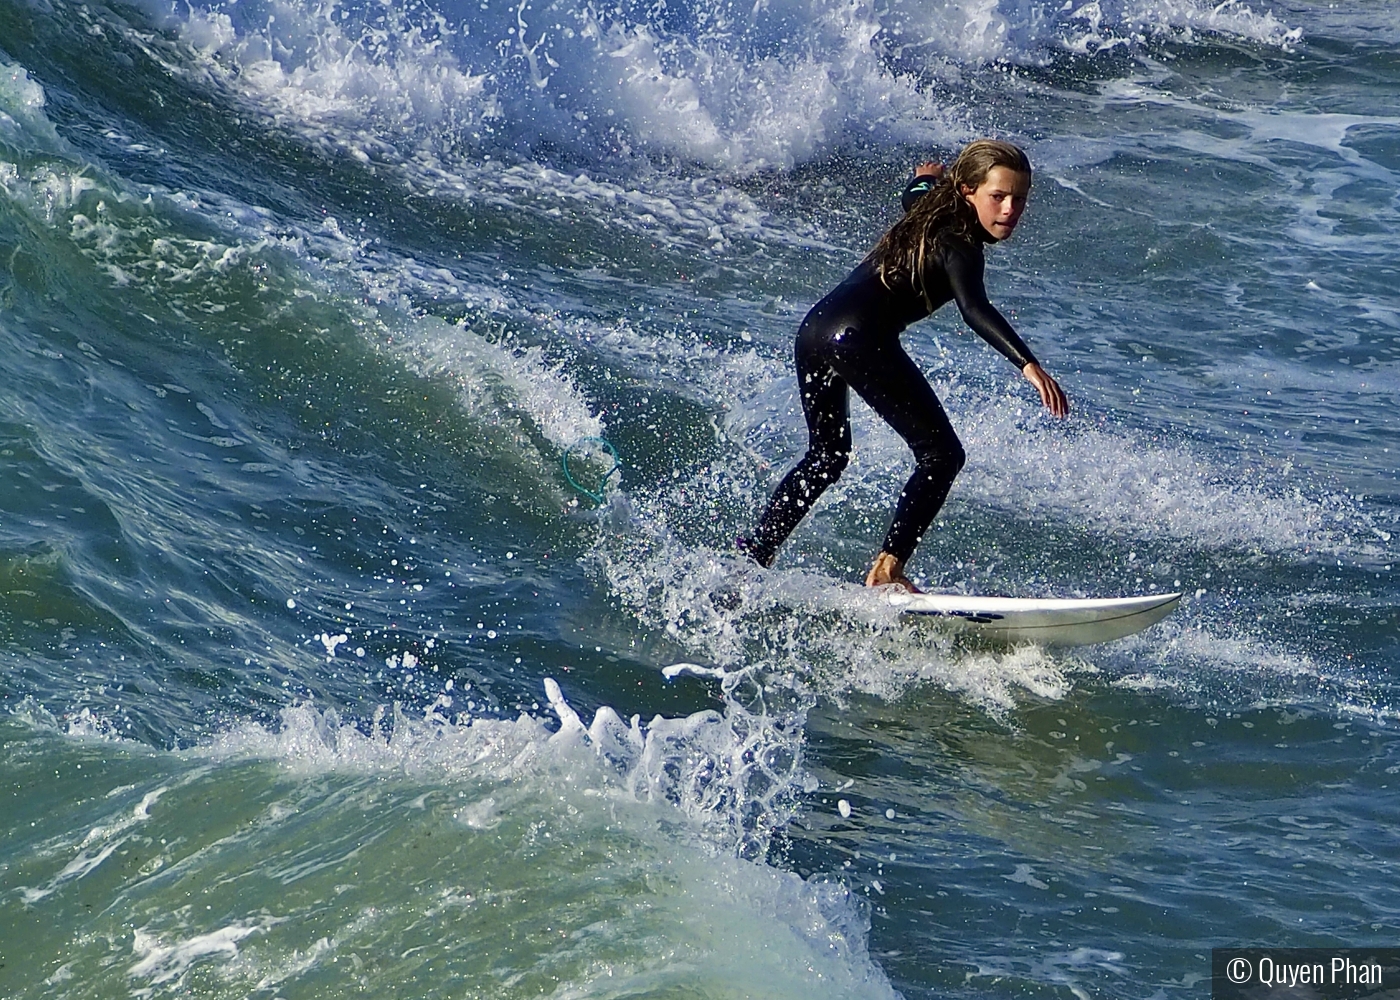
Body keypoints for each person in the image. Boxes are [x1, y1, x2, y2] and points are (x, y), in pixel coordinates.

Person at [739, 139, 1069, 593]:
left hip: (816, 329)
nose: (1010, 209)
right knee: (943, 455)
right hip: (857, 337)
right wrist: (1027, 364)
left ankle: (755, 553)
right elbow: (975, 308)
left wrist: (924, 178)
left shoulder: (931, 208)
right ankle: (887, 570)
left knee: (827, 455)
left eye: (1019, 199)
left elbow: (913, 195)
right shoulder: (961, 246)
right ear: (969, 191)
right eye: (998, 197)